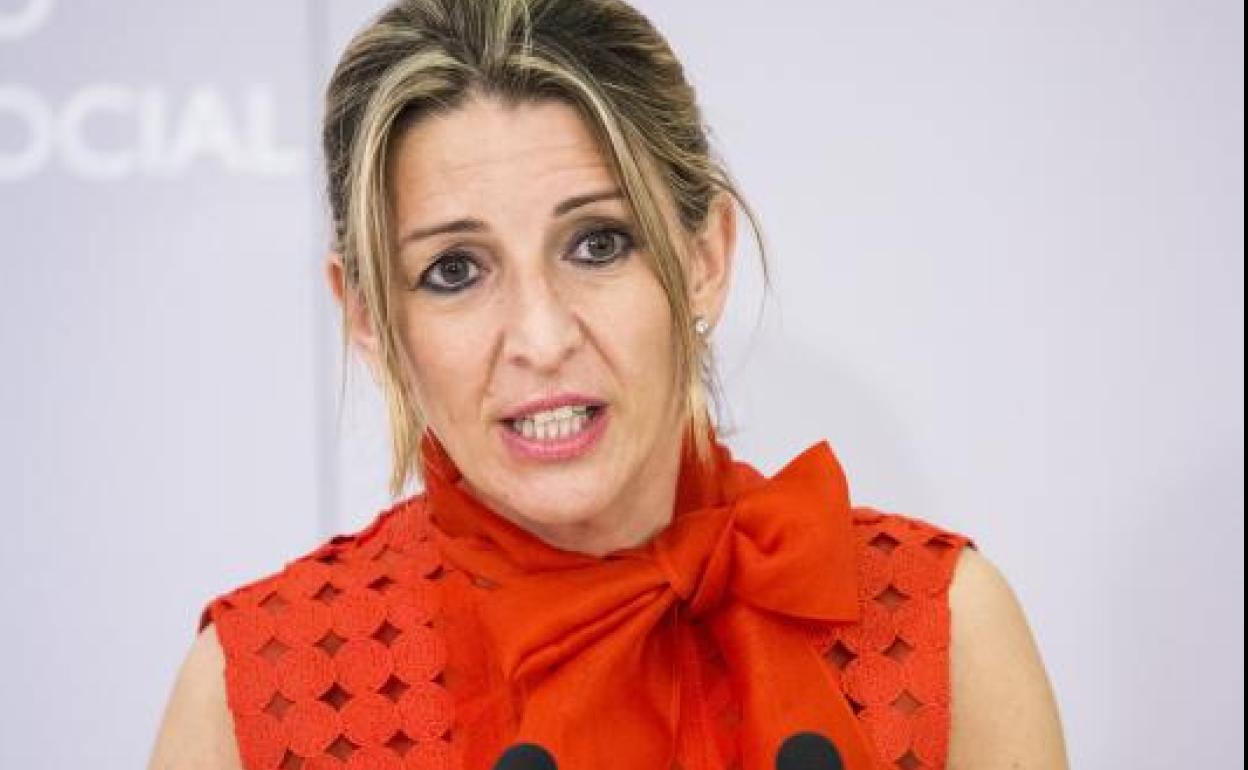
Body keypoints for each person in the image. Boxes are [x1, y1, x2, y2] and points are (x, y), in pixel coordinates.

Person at [147, 1, 1069, 768]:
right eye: (455, 271)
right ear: (367, 319)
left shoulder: (944, 628)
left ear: (705, 259)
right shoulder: (256, 692)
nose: (541, 338)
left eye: (598, 244)